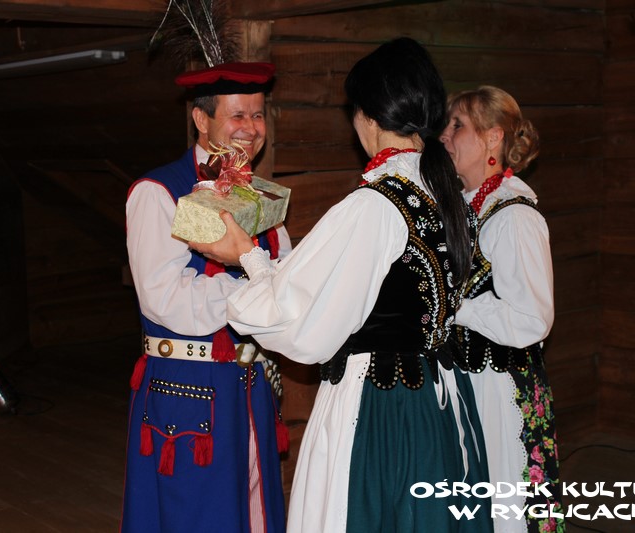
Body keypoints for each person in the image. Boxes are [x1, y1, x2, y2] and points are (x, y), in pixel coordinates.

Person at [192, 38, 492, 533]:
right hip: (438, 402)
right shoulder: (447, 195)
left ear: (368, 116)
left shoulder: (374, 206)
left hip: (382, 409)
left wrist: (245, 254)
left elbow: (302, 322)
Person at [121, 61, 291, 533]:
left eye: (257, 115)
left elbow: (286, 276)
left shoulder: (264, 197)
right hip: (188, 391)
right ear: (201, 118)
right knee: (197, 517)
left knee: (254, 513)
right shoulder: (158, 192)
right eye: (237, 115)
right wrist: (256, 284)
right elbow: (164, 298)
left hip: (252, 387)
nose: (250, 129)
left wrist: (273, 280)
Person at [439, 86, 563, 533]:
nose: (445, 136)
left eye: (457, 126)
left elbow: (532, 319)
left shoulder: (514, 216)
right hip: (471, 385)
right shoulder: (469, 206)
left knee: (506, 507)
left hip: (501, 390)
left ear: (493, 138)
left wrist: (457, 307)